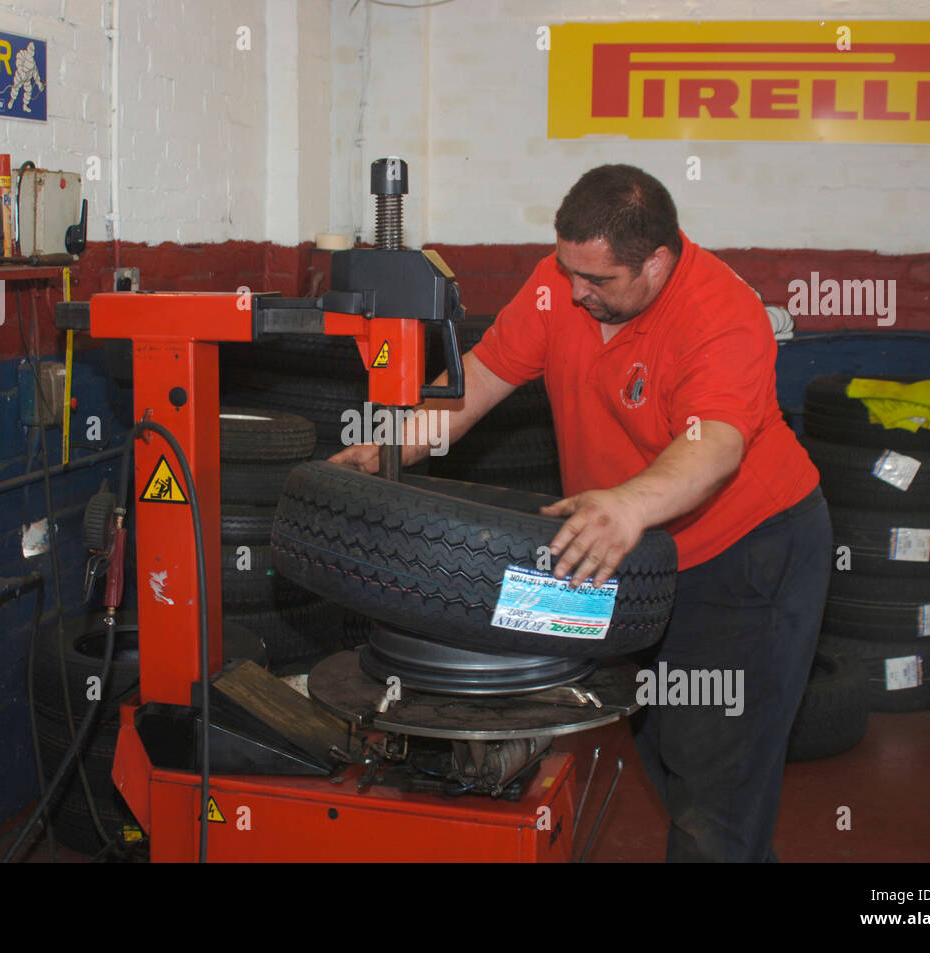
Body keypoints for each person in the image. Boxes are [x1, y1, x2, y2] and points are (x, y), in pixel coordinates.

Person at [331, 163, 831, 862]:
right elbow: (481, 375)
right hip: (636, 554)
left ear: (656, 262)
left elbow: (715, 445)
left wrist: (627, 504)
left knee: (717, 793)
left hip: (745, 560)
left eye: (597, 281)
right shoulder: (560, 286)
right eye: (567, 270)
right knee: (670, 754)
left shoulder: (719, 314)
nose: (573, 292)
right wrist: (393, 445)